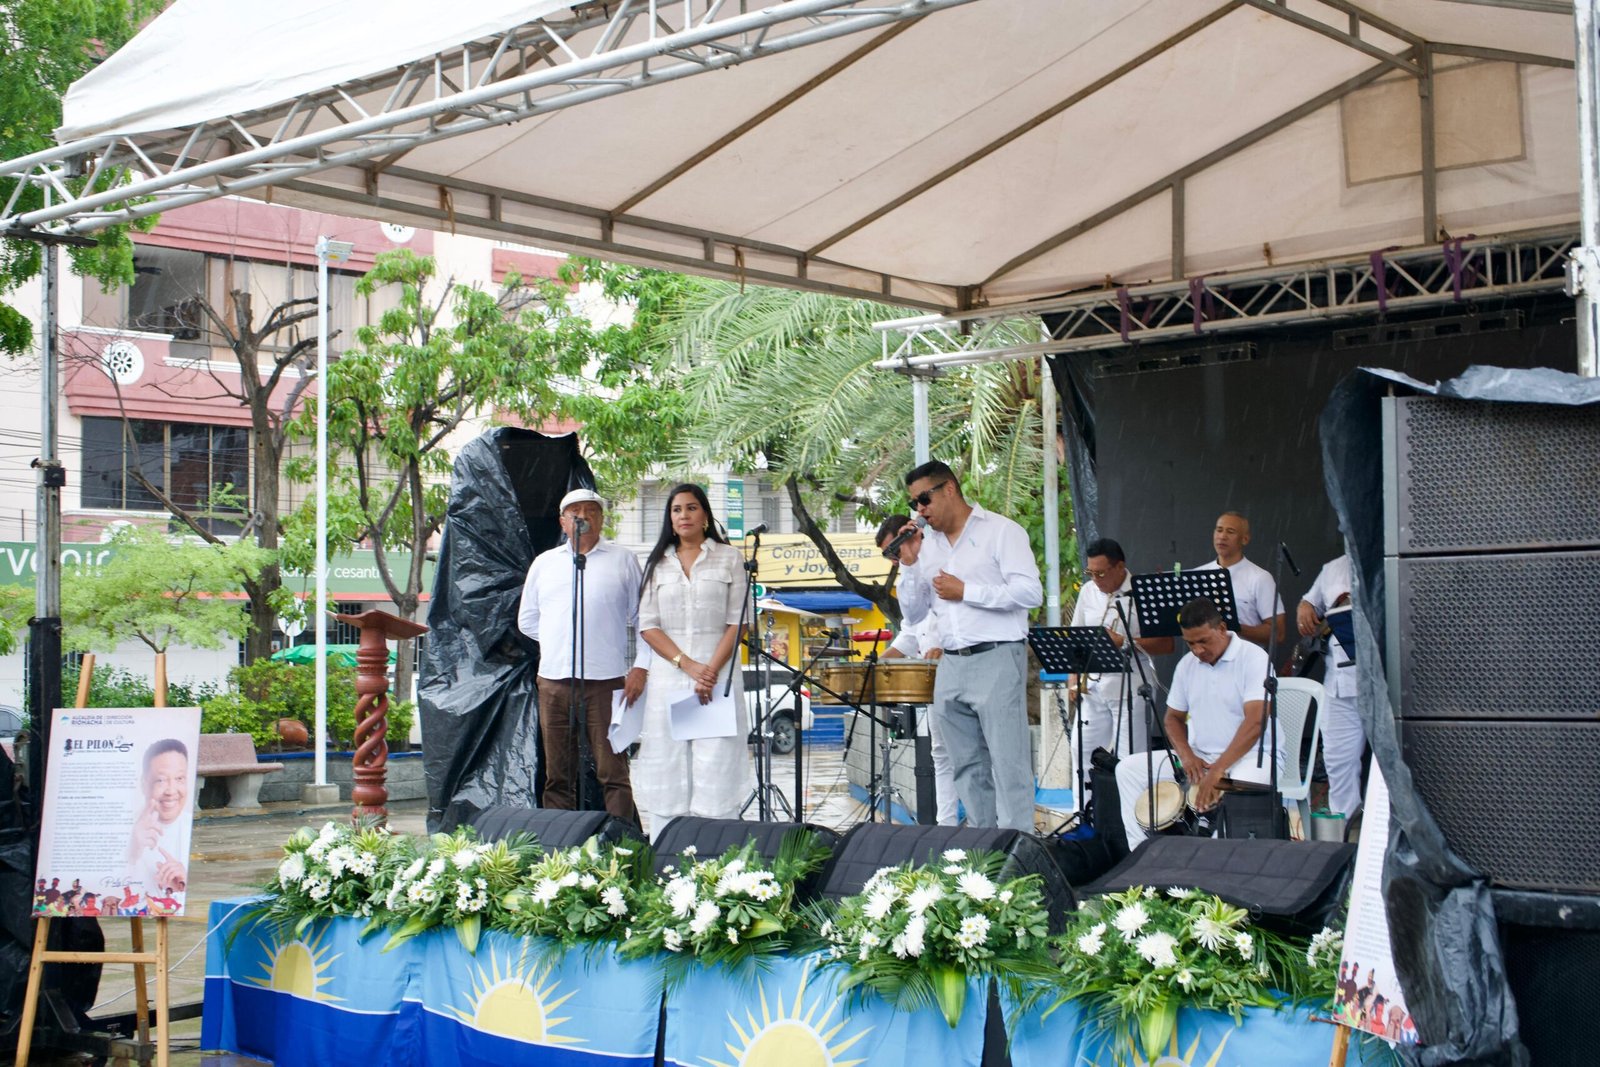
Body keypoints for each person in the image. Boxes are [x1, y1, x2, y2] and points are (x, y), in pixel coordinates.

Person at [892, 461, 1043, 831]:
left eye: (924, 499)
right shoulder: (927, 548)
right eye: (914, 504)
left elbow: (1030, 592)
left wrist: (967, 592)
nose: (919, 510)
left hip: (997, 655)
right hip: (951, 663)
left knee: (1008, 763)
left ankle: (1016, 852)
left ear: (949, 489)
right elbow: (912, 616)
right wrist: (909, 565)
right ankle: (982, 850)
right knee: (966, 766)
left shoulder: (1001, 532)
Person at [518, 487, 649, 823]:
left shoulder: (623, 560)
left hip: (605, 682)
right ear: (563, 522)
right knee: (557, 772)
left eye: (591, 510)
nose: (583, 517)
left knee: (612, 770)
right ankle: (559, 848)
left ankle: (623, 841)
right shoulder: (544, 564)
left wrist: (640, 667)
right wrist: (559, 644)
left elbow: (643, 619)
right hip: (554, 682)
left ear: (601, 519)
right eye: (574, 511)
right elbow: (527, 620)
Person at [633, 483, 754, 836]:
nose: (683, 515)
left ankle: (719, 861)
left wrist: (709, 671)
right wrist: (688, 665)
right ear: (670, 521)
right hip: (670, 680)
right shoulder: (657, 564)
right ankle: (665, 856)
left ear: (705, 516)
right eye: (676, 510)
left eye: (691, 508)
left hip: (716, 683)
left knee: (715, 765)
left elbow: (738, 622)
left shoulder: (729, 558)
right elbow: (648, 626)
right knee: (668, 765)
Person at [1115, 597, 1282, 848]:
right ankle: (1139, 855)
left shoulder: (1254, 658)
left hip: (1254, 758)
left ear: (1223, 629)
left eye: (1204, 641)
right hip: (1201, 757)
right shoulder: (1187, 666)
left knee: (1233, 788)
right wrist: (1187, 756)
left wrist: (1218, 770)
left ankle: (1214, 862)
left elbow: (1256, 722)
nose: (1197, 650)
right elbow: (1172, 718)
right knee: (1127, 769)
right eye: (1190, 643)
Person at [876, 513, 958, 825]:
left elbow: (951, 613)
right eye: (889, 555)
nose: (894, 561)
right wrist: (881, 663)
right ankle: (946, 825)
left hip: (962, 665)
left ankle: (984, 828)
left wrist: (943, 647)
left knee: (975, 753)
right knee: (940, 753)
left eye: (893, 551)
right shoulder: (908, 571)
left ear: (906, 535)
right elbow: (912, 625)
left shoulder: (942, 552)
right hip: (933, 680)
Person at [1067, 537, 1174, 759]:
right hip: (1093, 686)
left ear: (1120, 567)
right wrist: (1073, 680)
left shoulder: (1144, 593)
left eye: (1101, 573)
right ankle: (1084, 796)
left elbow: (1166, 644)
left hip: (1131, 687)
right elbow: (1076, 637)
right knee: (1081, 752)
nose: (1096, 579)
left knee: (1130, 758)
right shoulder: (1088, 591)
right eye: (1091, 573)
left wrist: (1124, 641)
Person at [1297, 552, 1366, 815]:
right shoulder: (1333, 567)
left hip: (1385, 686)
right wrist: (1305, 606)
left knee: (1392, 768)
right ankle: (1345, 832)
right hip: (1339, 684)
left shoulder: (1389, 559)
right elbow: (1310, 603)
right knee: (1339, 764)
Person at [1193, 511, 1286, 648]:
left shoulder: (1260, 578)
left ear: (1245, 539)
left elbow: (1278, 633)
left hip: (1245, 662)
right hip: (1203, 662)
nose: (1222, 536)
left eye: (1230, 532)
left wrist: (1233, 625)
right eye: (1219, 530)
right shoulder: (1197, 575)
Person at [125, 738, 191, 899]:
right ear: (144, 783)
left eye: (179, 779)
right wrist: (132, 852)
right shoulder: (122, 827)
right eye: (161, 780)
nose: (171, 791)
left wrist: (185, 882)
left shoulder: (194, 826)